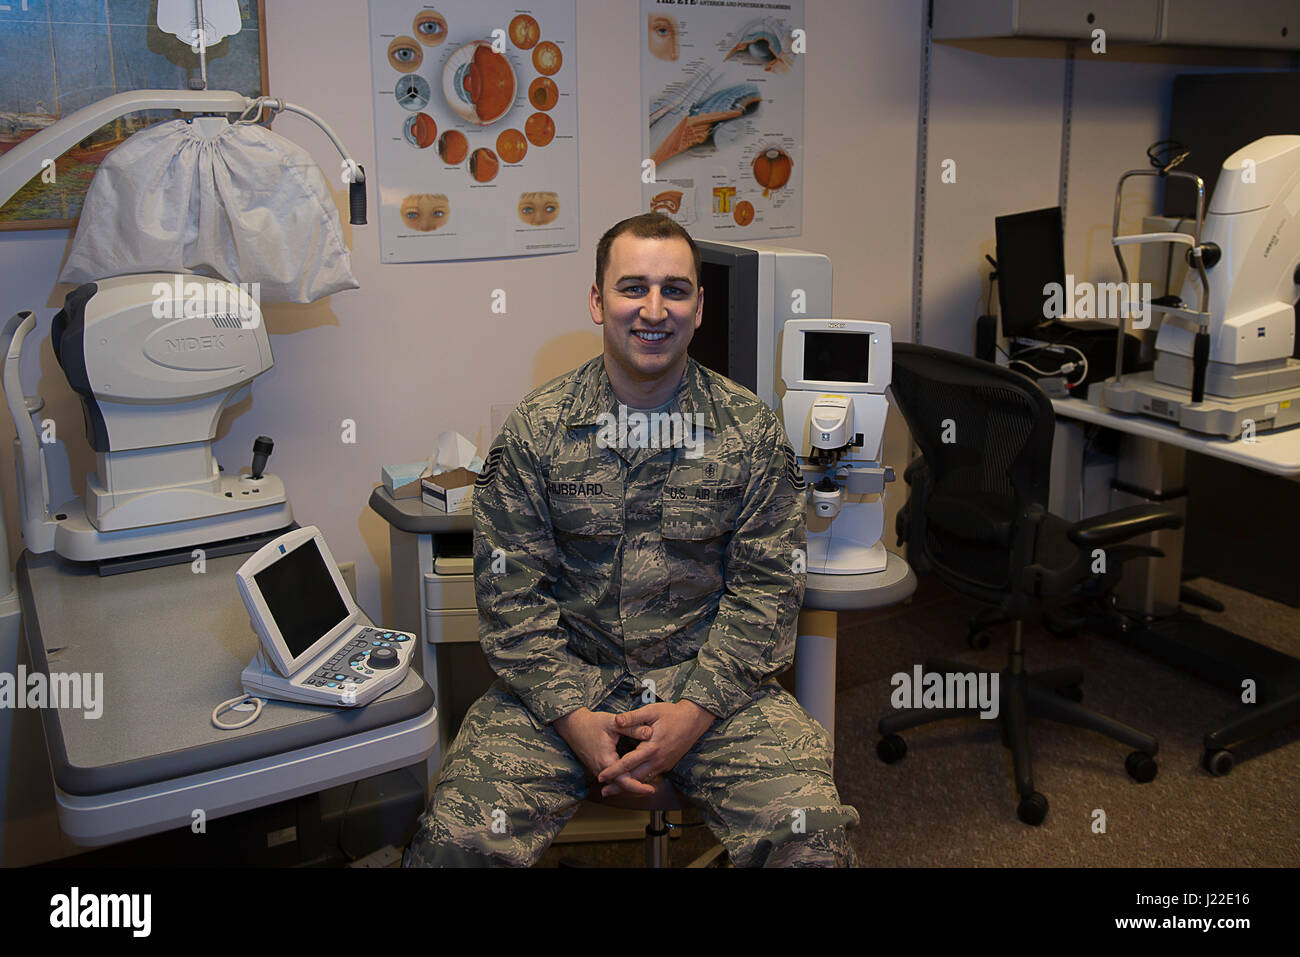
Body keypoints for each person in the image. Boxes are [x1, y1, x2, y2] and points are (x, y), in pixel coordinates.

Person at [404, 213, 859, 867]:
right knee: (454, 842)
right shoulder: (537, 432)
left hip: (715, 692)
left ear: (699, 307)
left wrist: (695, 709)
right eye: (632, 288)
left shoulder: (750, 432)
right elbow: (512, 601)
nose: (654, 310)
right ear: (597, 300)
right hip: (563, 691)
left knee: (809, 835)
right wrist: (573, 717)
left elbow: (768, 593)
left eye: (675, 290)